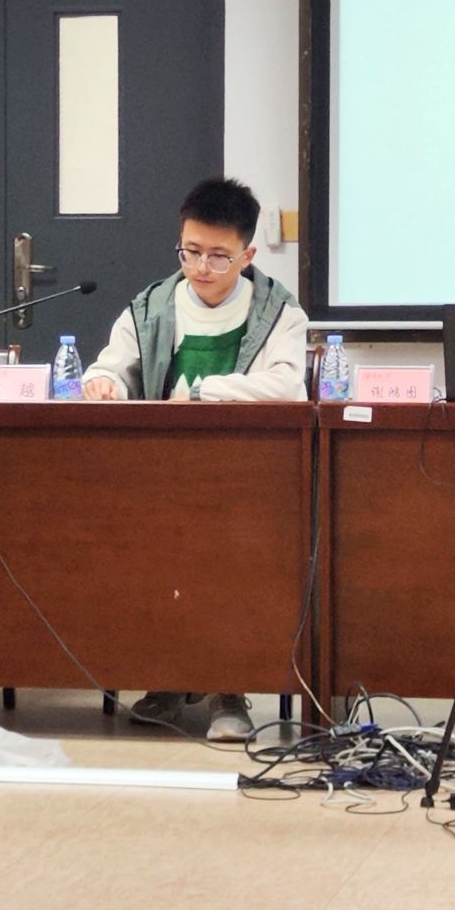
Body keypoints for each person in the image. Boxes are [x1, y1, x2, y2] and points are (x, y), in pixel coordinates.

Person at [83, 176, 310, 741]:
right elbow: (112, 364)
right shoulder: (152, 306)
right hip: (161, 474)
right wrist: (106, 382)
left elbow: (287, 385)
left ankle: (228, 692)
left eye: (218, 256)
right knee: (155, 563)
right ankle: (167, 679)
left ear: (247, 256)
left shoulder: (279, 311)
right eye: (190, 251)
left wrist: (206, 391)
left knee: (232, 567)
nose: (201, 268)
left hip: (247, 478)